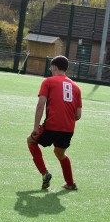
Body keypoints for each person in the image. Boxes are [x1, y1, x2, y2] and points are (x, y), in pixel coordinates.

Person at [27, 55, 82, 190]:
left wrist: (36, 127)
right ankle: (70, 183)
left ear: (55, 67)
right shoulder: (76, 87)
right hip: (68, 129)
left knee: (31, 141)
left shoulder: (49, 82)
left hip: (52, 126)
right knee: (60, 153)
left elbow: (41, 105)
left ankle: (45, 173)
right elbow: (78, 115)